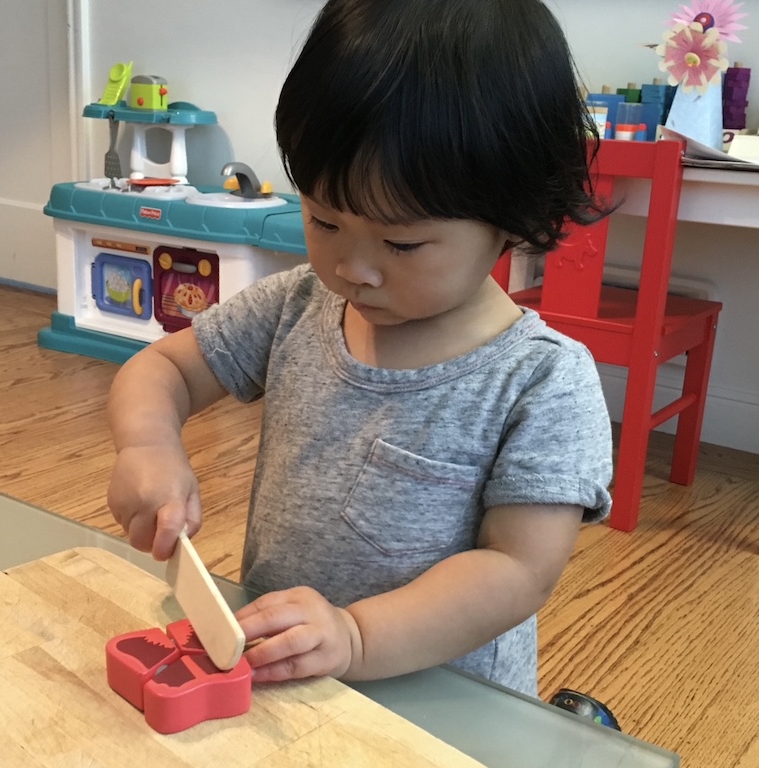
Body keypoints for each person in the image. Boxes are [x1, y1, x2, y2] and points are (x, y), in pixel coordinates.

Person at [106, 0, 613, 697]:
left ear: (515, 220)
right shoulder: (299, 306)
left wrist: (357, 635)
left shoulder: (540, 381)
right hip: (287, 669)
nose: (354, 269)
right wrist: (147, 446)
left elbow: (517, 570)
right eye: (324, 220)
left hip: (439, 704)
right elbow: (163, 367)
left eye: (402, 243)